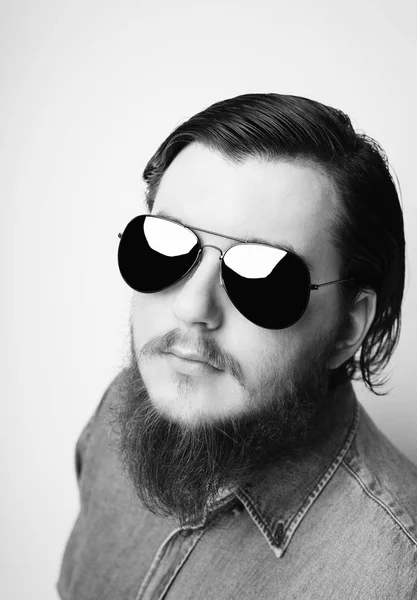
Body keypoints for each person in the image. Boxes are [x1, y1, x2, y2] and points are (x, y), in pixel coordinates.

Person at [57, 93, 417, 600]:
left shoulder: (396, 576)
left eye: (263, 279)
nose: (192, 306)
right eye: (163, 247)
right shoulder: (122, 408)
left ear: (347, 327)